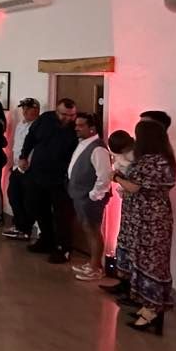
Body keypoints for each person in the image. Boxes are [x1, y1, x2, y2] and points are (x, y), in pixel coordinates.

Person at [112, 120, 176, 332]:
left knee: (150, 262)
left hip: (148, 220)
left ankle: (152, 309)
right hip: (150, 217)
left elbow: (134, 186)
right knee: (147, 259)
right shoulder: (164, 160)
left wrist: (116, 178)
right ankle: (147, 306)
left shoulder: (151, 162)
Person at [18, 98, 79, 259]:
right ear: (56, 111)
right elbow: (31, 137)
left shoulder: (76, 127)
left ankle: (63, 247)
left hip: (60, 178)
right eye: (64, 114)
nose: (68, 118)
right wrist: (23, 156)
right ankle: (46, 239)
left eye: (72, 115)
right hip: (38, 173)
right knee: (35, 206)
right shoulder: (45, 119)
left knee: (62, 214)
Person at [66, 113, 113, 279]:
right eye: (76, 125)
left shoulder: (98, 148)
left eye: (81, 125)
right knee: (86, 228)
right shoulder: (84, 144)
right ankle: (92, 263)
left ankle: (96, 267)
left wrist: (94, 195)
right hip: (80, 195)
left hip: (90, 197)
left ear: (92, 128)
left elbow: (105, 175)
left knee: (93, 229)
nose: (76, 128)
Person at [98, 130, 136, 295]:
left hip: (137, 206)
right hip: (128, 203)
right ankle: (124, 282)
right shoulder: (124, 157)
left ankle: (132, 287)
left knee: (133, 246)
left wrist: (117, 179)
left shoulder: (137, 159)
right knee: (124, 243)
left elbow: (134, 184)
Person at [3, 99, 40, 238]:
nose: (24, 112)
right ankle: (18, 224)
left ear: (35, 110)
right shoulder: (21, 124)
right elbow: (16, 146)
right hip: (17, 167)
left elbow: (34, 149)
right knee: (13, 195)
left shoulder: (37, 127)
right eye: (23, 109)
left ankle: (25, 228)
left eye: (27, 109)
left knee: (27, 200)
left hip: (29, 168)